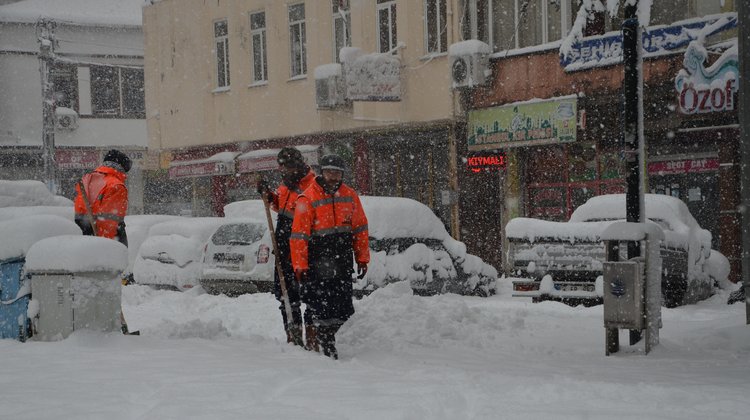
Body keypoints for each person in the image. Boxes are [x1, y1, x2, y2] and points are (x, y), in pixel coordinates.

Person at [290, 154, 369, 359]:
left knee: (342, 304)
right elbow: (299, 236)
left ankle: (329, 336)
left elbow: (360, 228)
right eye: (329, 172)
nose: (333, 176)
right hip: (318, 259)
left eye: (337, 173)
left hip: (342, 258)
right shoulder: (307, 198)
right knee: (320, 303)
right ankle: (324, 341)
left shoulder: (350, 195)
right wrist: (300, 264)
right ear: (322, 172)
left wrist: (362, 257)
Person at [257, 147, 316, 347]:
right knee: (286, 296)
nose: (285, 171)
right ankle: (293, 335)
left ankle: (312, 335)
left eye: (288, 167)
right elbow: (280, 206)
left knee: (308, 294)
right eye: (282, 167)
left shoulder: (312, 186)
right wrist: (269, 196)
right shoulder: (285, 186)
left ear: (298, 165)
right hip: (283, 247)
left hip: (303, 248)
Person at [74, 149, 131, 247]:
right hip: (107, 243)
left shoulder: (87, 180)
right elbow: (110, 220)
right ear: (121, 168)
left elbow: (80, 214)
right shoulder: (116, 186)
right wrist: (106, 246)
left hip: (83, 240)